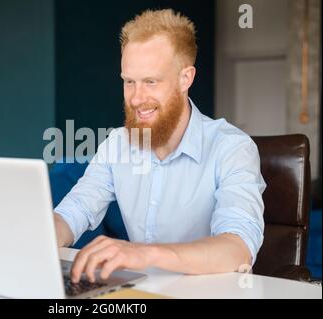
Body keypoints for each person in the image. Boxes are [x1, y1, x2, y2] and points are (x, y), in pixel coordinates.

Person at [53, 9, 266, 283]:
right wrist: (42, 234)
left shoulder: (232, 148)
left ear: (185, 79)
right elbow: (75, 210)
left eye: (150, 81)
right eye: (129, 82)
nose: (136, 98)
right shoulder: (117, 144)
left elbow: (238, 250)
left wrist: (145, 254)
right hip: (140, 291)